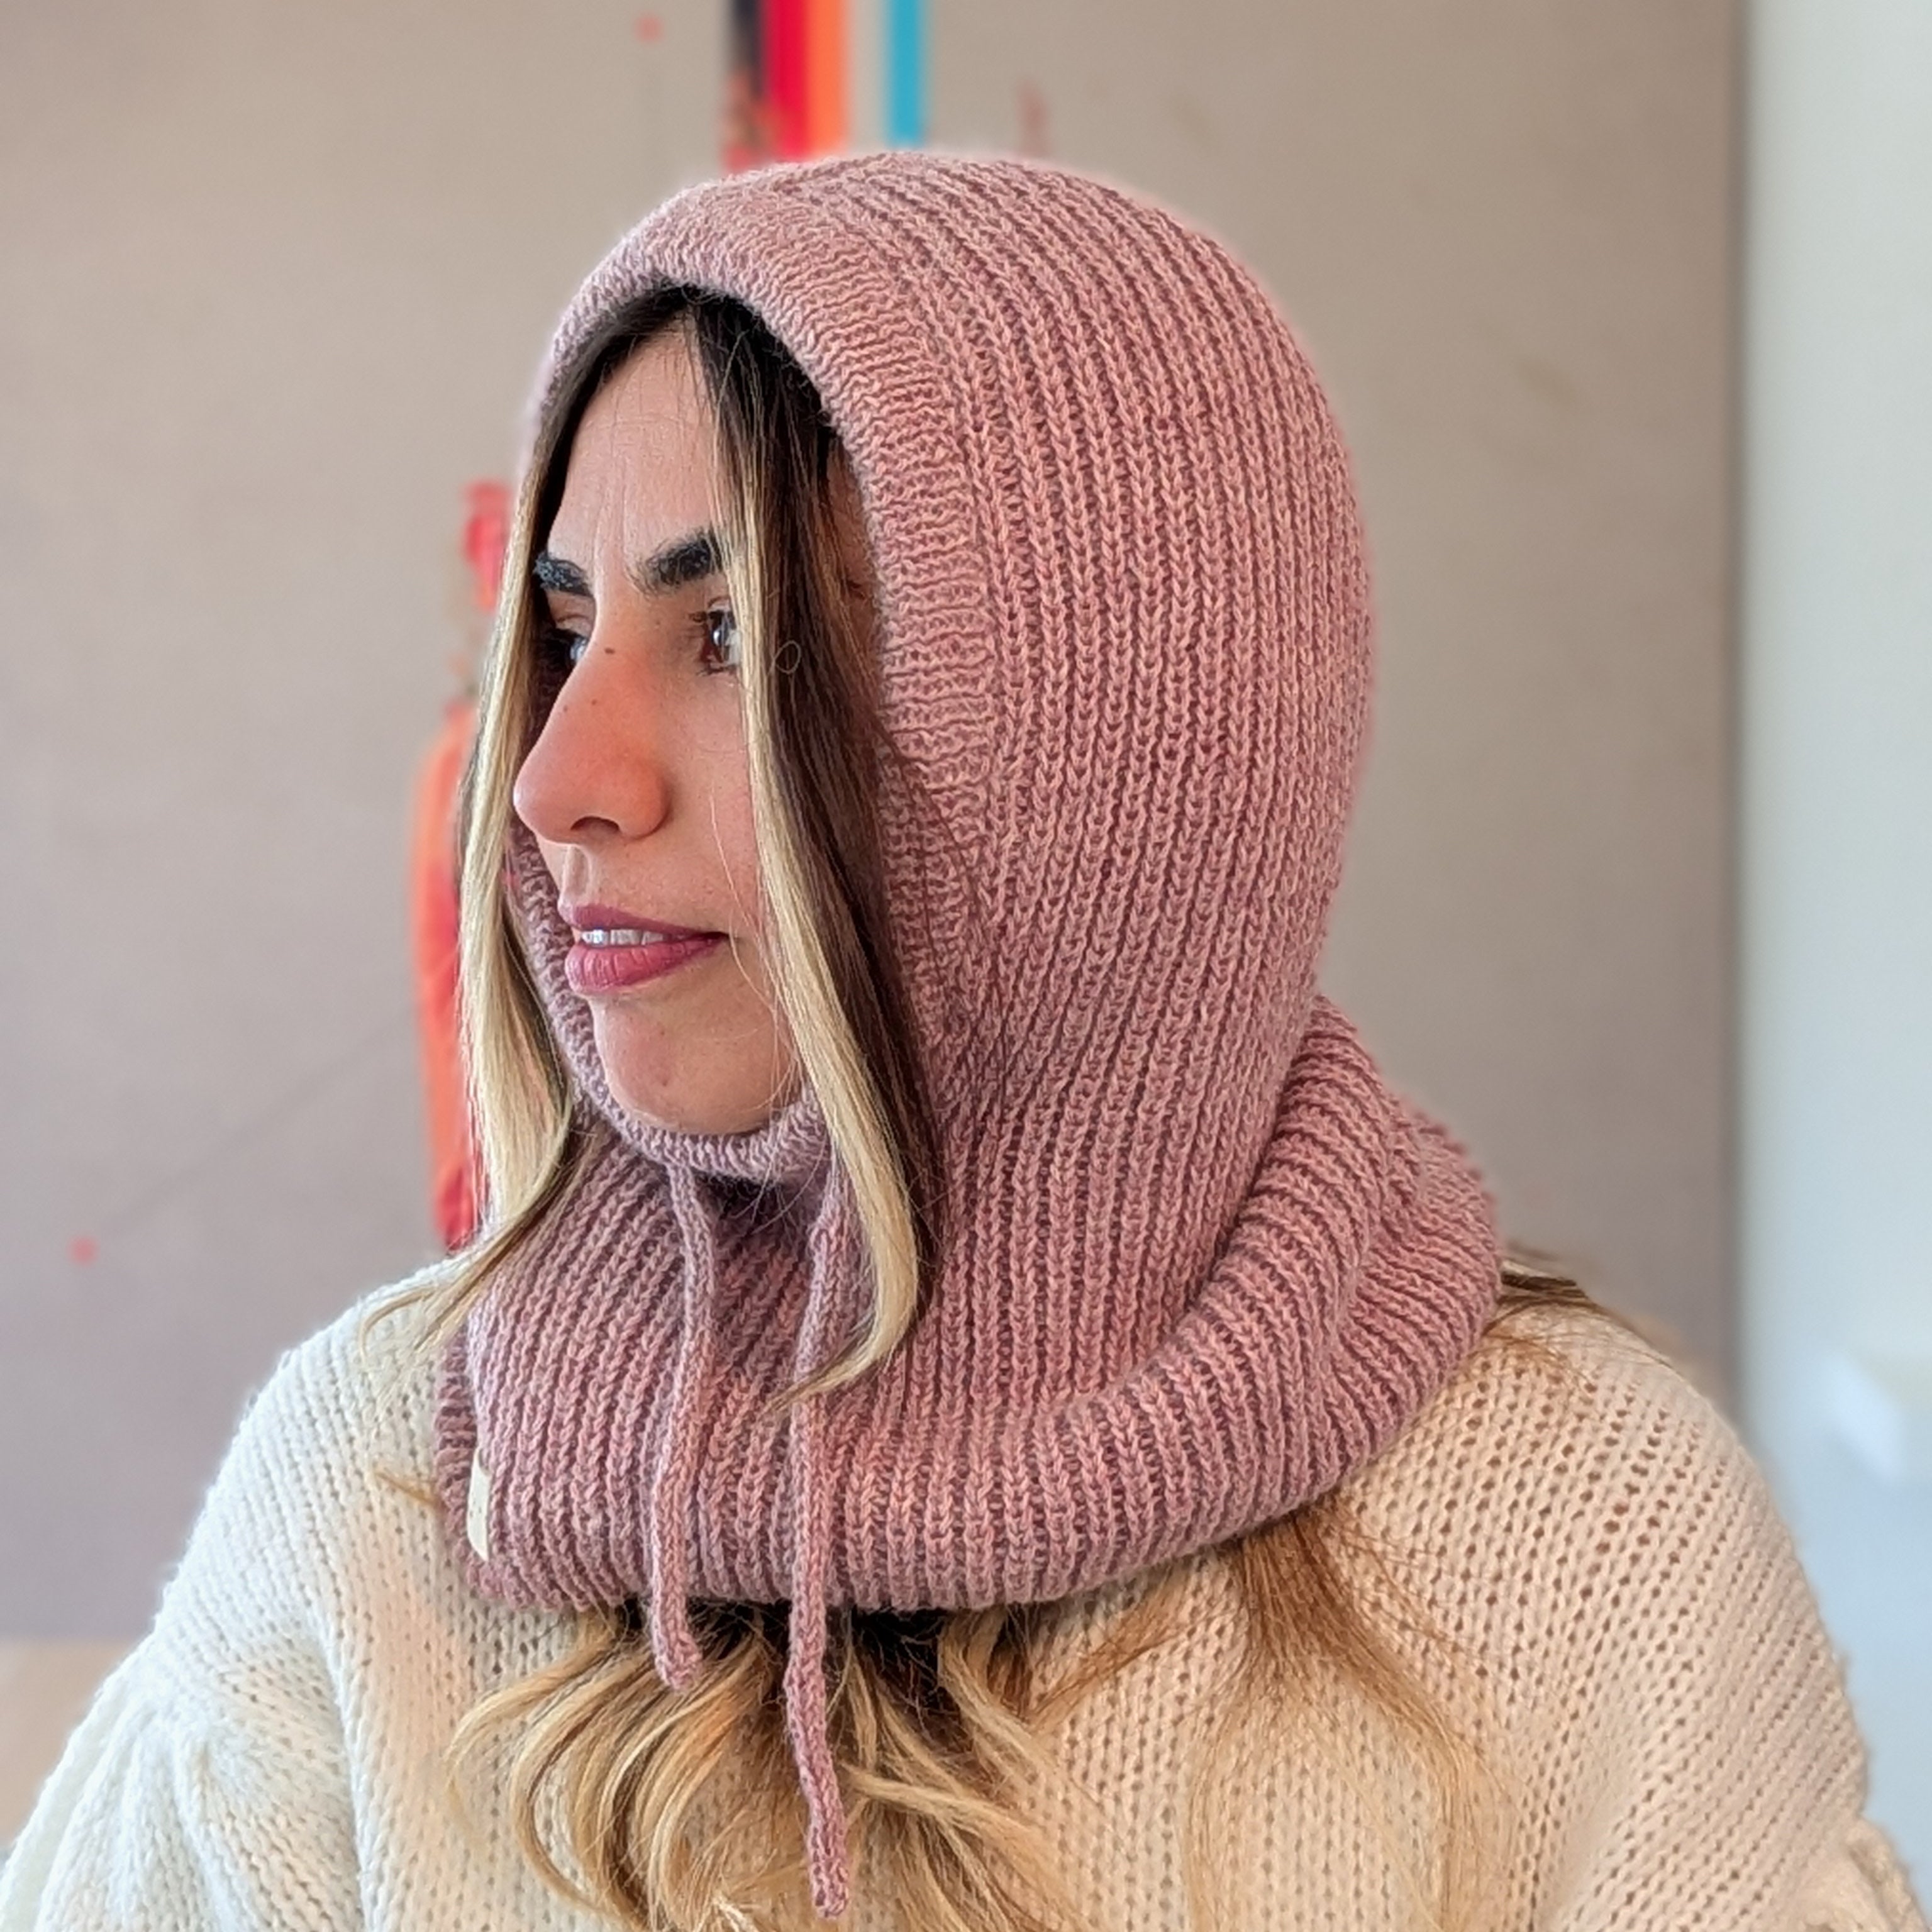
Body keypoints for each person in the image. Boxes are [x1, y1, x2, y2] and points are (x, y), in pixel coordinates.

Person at [1, 153, 1923, 1932]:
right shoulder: (382, 1504)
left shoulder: (1583, 1549)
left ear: (1112, 744)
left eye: (736, 639)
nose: (559, 779)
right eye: (569, 632)